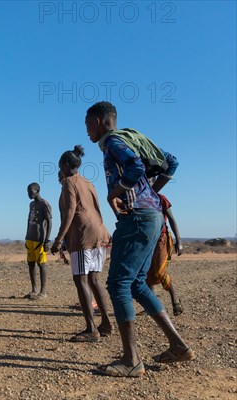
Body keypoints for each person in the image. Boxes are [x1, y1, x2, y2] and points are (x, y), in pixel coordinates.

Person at [85, 101, 194, 377]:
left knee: (119, 283)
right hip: (152, 215)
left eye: (87, 124)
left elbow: (133, 166)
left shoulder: (113, 143)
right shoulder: (134, 139)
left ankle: (131, 360)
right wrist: (152, 193)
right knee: (136, 284)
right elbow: (172, 161)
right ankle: (178, 346)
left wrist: (115, 194)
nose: (86, 131)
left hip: (137, 218)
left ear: (99, 121)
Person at [50, 145, 113, 342]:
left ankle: (91, 328)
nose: (59, 169)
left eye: (60, 165)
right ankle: (106, 322)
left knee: (81, 280)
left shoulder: (69, 182)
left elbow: (70, 212)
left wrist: (59, 239)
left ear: (66, 165)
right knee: (94, 279)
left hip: (82, 235)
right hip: (99, 232)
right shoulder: (88, 182)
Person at [145, 192, 184, 316]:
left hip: (161, 239)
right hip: (145, 240)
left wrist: (179, 240)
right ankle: (150, 306)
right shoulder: (138, 198)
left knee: (159, 271)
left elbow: (172, 219)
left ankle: (174, 297)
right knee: (147, 273)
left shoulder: (160, 198)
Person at [24, 183, 52, 299]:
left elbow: (49, 222)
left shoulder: (44, 204)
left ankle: (43, 292)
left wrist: (47, 240)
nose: (29, 194)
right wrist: (26, 236)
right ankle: (34, 290)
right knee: (31, 264)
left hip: (40, 239)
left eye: (31, 191)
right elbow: (28, 220)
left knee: (41, 264)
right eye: (28, 191)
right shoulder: (31, 204)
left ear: (38, 190)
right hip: (30, 238)